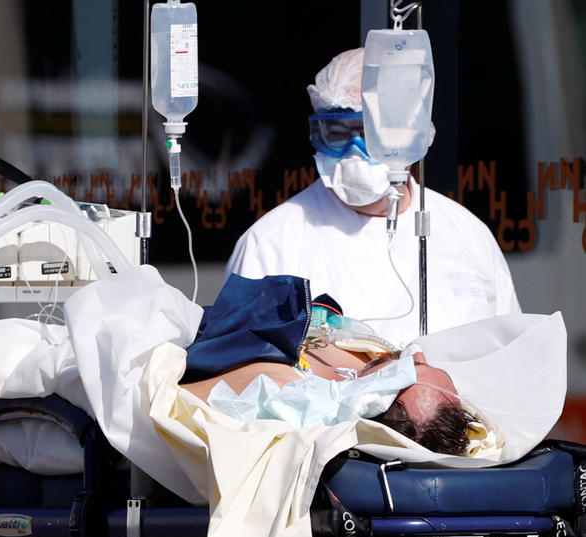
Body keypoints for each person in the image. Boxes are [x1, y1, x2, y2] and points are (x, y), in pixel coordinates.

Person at [226, 47, 521, 347]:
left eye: (374, 132)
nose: (355, 150)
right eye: (338, 132)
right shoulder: (272, 243)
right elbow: (241, 373)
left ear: (412, 134)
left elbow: (509, 362)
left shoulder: (467, 235)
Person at [178, 272, 474, 456]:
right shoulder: (364, 365)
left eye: (411, 370)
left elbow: (171, 393)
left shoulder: (281, 387)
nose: (417, 354)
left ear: (376, 401)